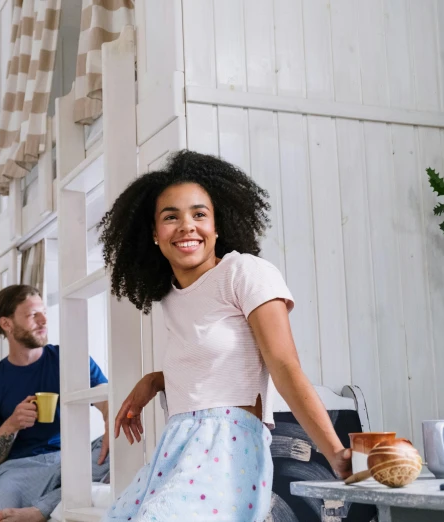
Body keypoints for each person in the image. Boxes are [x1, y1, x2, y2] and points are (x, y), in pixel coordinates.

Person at [97, 150, 352, 521]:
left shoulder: (244, 272)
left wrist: (335, 453)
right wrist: (155, 380)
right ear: (154, 234)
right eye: (171, 217)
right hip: (177, 445)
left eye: (200, 214)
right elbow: (217, 368)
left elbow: (283, 364)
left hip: (229, 447)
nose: (187, 226)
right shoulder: (170, 298)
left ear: (218, 226)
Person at [0, 285, 110, 522]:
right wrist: (11, 425)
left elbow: (106, 401)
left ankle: (39, 511)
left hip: (69, 460)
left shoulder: (70, 360)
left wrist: (109, 419)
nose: (44, 320)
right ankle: (49, 505)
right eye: (33, 315)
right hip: (18, 472)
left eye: (44, 312)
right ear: (7, 324)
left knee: (119, 442)